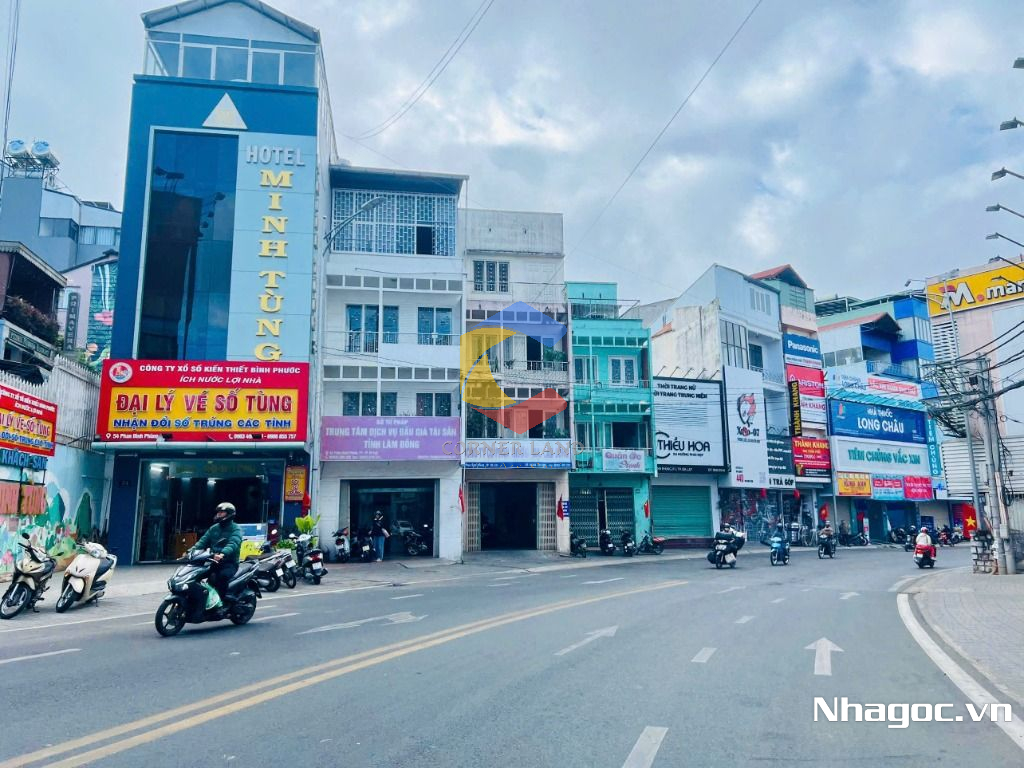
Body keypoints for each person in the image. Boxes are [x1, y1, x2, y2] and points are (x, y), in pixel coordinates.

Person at [195, 502, 243, 601]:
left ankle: (221, 601)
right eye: (218, 512)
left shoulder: (236, 529)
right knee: (196, 575)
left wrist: (223, 554)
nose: (219, 514)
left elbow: (233, 543)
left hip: (229, 563)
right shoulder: (214, 528)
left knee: (222, 577)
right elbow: (202, 542)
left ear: (229, 514)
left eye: (222, 512)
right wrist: (190, 552)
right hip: (213, 561)